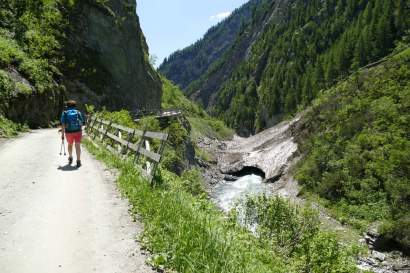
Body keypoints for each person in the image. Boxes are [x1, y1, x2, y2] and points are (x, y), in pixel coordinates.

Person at [61, 100, 84, 167]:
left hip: (68, 132)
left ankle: (70, 157)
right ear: (75, 106)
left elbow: (63, 125)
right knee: (77, 146)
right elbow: (81, 123)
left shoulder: (65, 113)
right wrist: (79, 130)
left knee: (70, 145)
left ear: (67, 106)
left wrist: (62, 135)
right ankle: (78, 161)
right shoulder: (78, 112)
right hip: (78, 131)